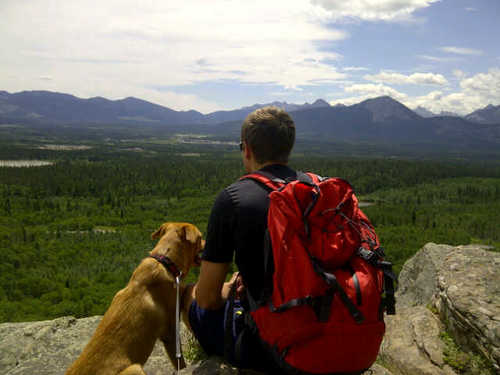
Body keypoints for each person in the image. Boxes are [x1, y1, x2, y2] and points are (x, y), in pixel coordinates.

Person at [187, 106, 297, 371]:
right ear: (288, 150)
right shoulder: (311, 190)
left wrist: (227, 287)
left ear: (247, 149)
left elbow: (207, 299)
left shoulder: (234, 199)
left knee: (192, 304)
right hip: (332, 332)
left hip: (275, 346)